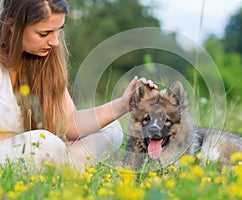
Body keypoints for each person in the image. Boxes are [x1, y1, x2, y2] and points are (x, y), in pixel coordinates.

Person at [0, 0, 157, 172]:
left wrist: (123, 104)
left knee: (111, 130)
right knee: (46, 143)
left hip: (43, 149)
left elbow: (68, 123)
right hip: (22, 149)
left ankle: (61, 169)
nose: (55, 42)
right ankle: (68, 169)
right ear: (12, 25)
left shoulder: (44, 62)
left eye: (58, 31)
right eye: (44, 33)